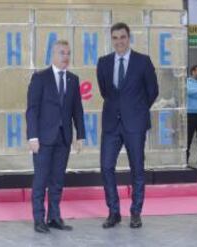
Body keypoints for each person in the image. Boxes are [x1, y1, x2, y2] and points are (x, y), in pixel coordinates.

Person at [96, 22, 159, 229]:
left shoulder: (143, 61)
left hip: (135, 124)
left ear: (128, 38)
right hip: (111, 124)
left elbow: (152, 91)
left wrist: (137, 110)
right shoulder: (103, 62)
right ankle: (113, 212)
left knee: (137, 169)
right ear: (111, 40)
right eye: (115, 38)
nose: (119, 41)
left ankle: (135, 213)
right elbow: (105, 91)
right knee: (106, 167)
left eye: (122, 37)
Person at [26, 40, 85, 233]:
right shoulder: (40, 78)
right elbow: (32, 110)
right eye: (62, 53)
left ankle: (54, 217)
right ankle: (38, 219)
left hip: (64, 138)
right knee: (41, 180)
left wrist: (80, 135)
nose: (65, 57)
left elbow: (77, 110)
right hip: (43, 139)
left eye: (68, 53)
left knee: (58, 180)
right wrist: (32, 136)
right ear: (52, 55)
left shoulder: (73, 80)